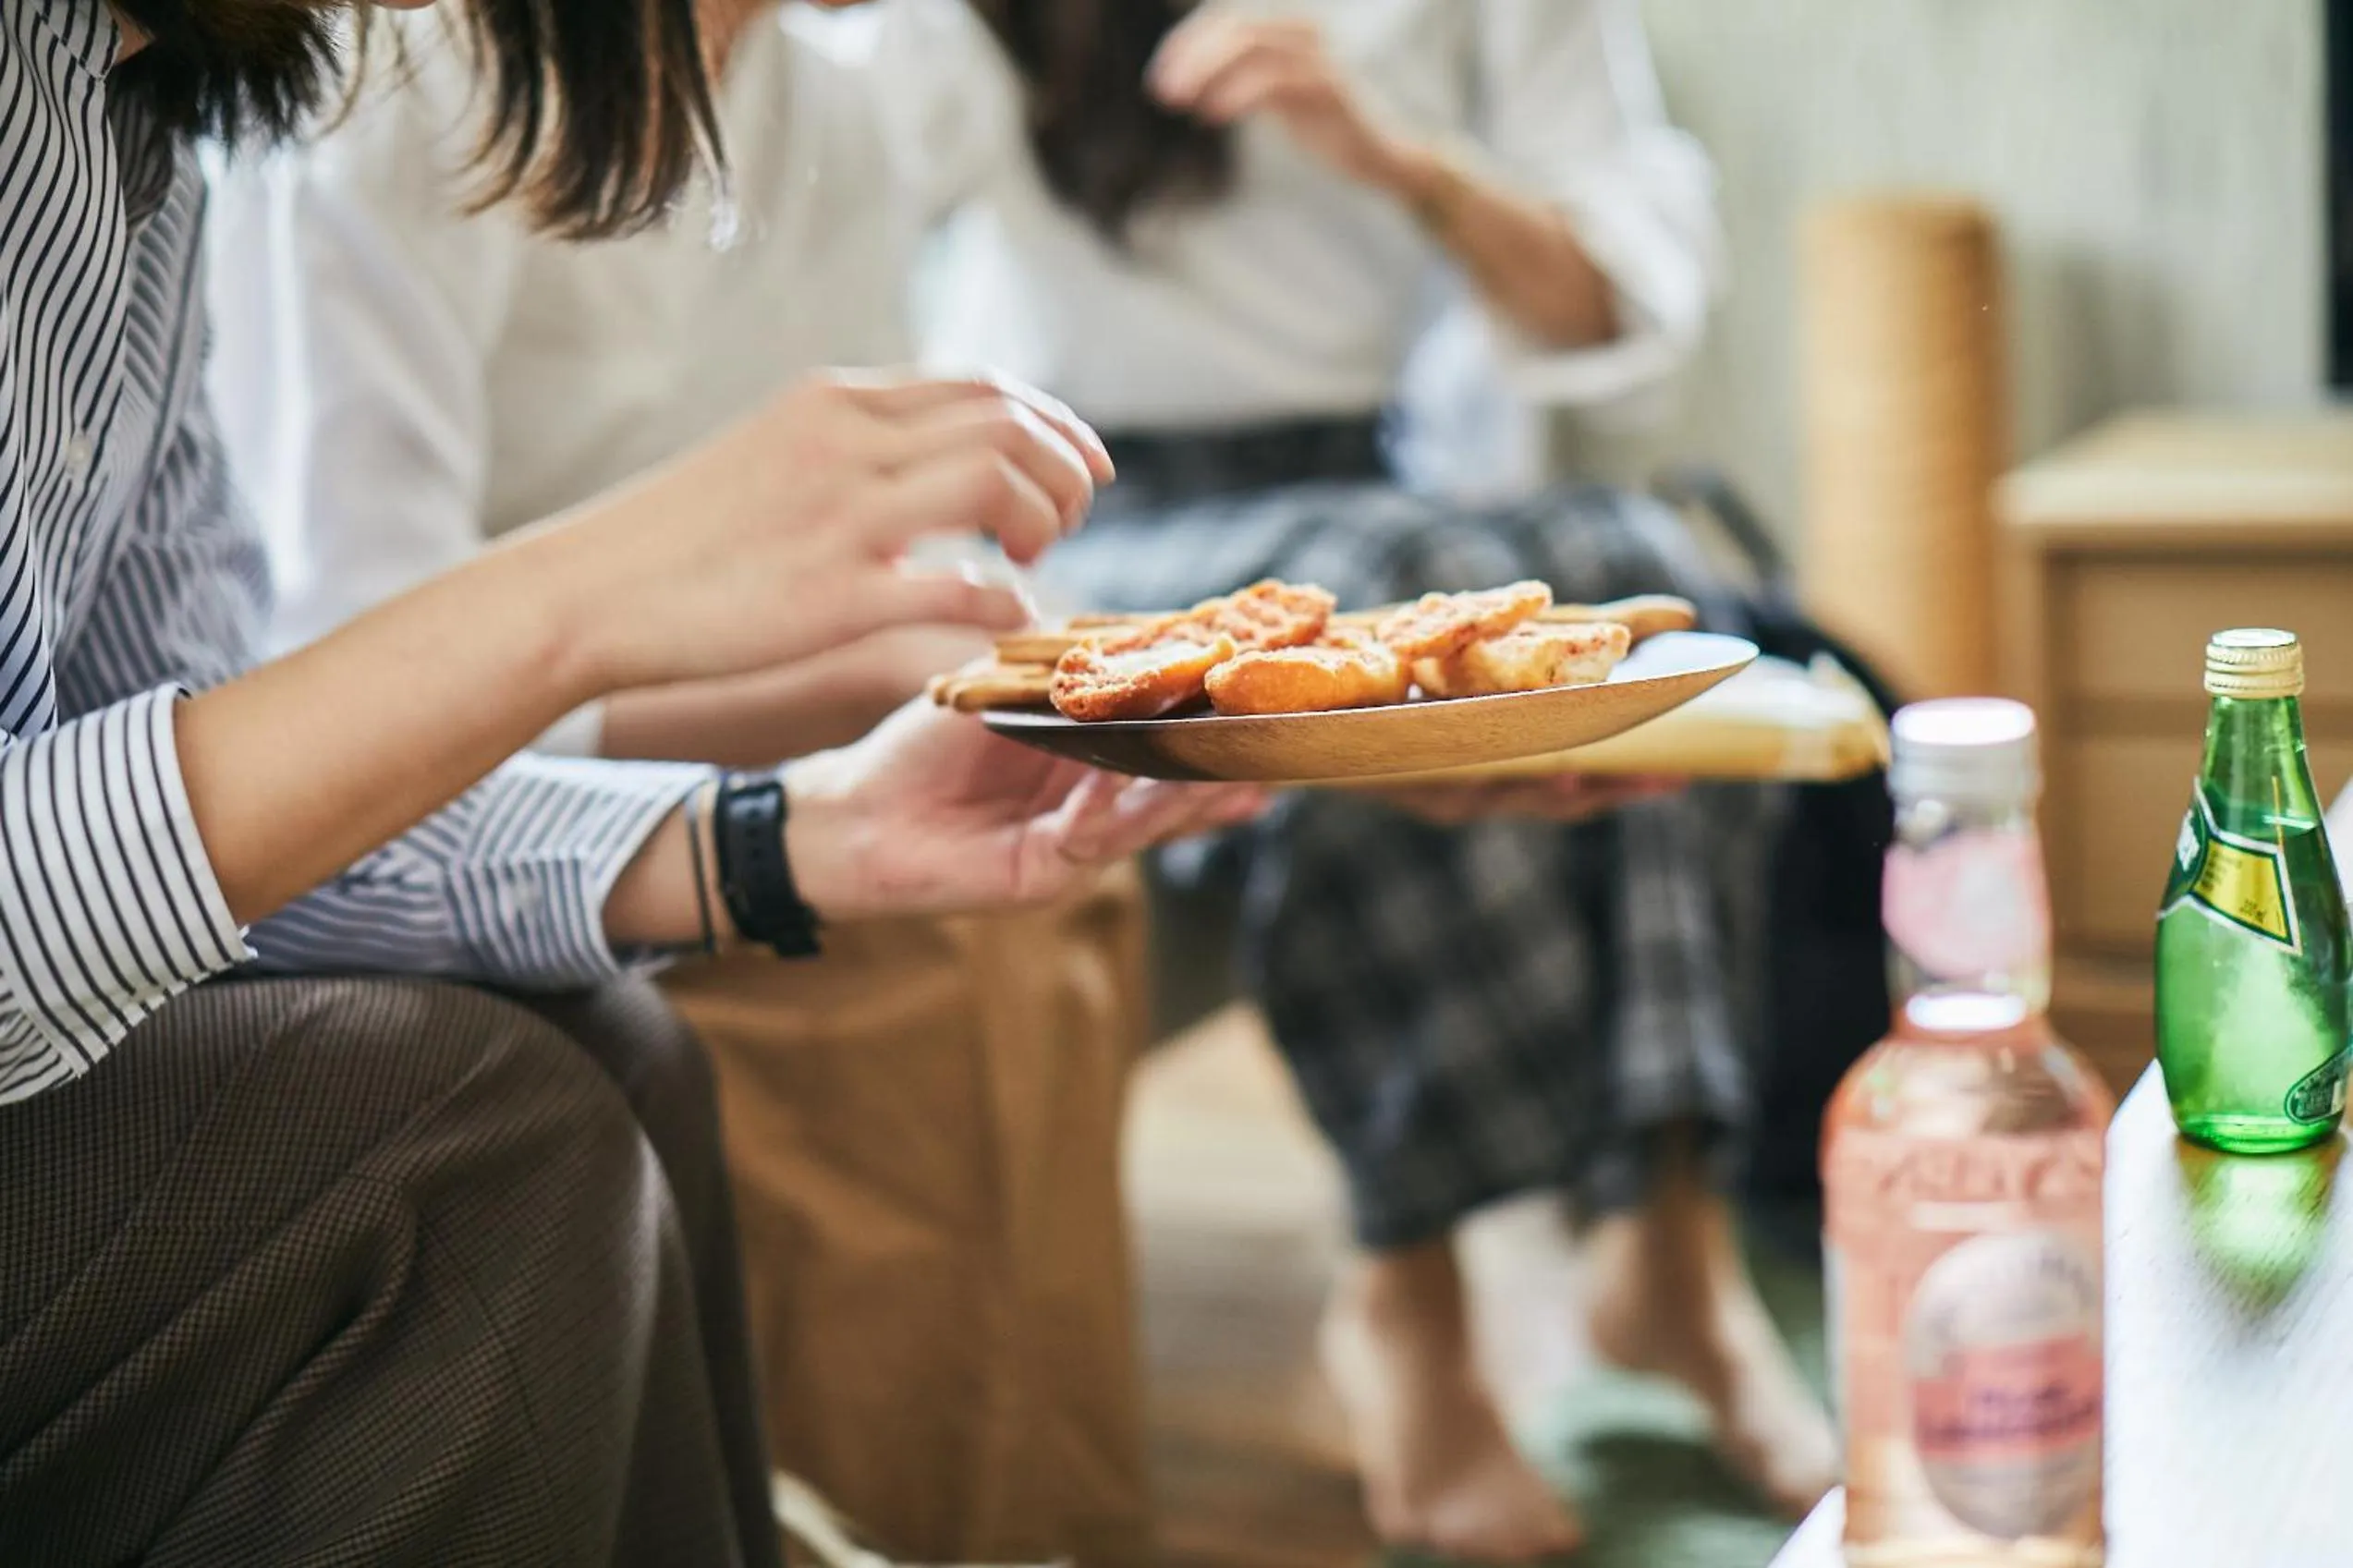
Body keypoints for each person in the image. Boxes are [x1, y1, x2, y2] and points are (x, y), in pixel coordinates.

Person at [0, 2, 1256, 1562]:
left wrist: (783, 838)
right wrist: (582, 606)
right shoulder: (352, 111)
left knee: (619, 1044)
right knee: (473, 1133)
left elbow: (223, 804)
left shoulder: (151, 125)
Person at [880, 1, 1837, 1557]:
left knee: (1642, 569)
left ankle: (1673, 1250)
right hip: (1107, 517)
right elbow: (827, 187)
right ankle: (1408, 1288)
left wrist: (1393, 156)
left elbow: (1613, 305)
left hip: (1373, 477)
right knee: (1376, 617)